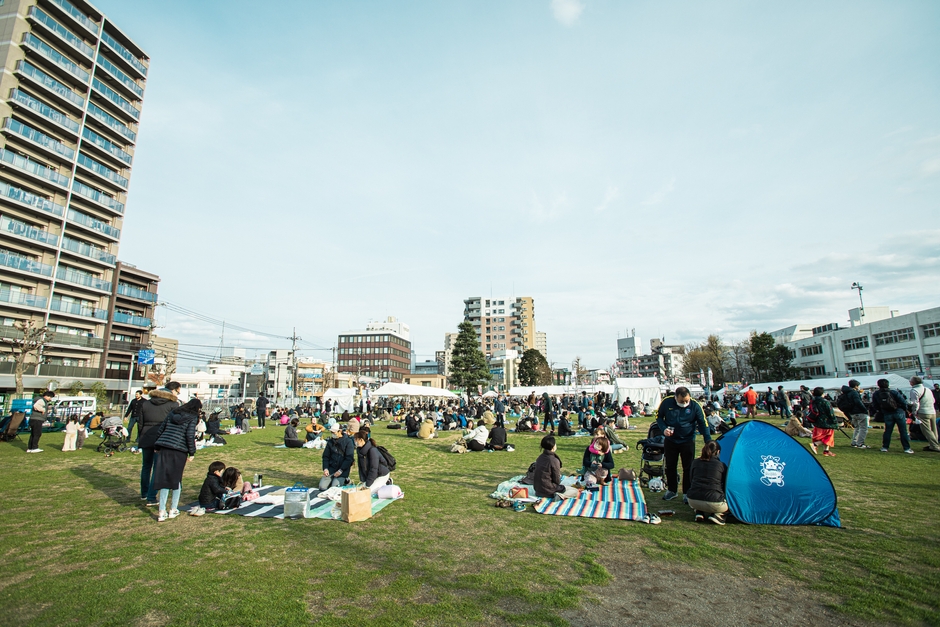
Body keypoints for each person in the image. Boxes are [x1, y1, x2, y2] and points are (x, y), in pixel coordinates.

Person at [656, 386, 711, 502]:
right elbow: (659, 417)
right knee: (670, 466)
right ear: (676, 397)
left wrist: (708, 441)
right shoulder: (666, 402)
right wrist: (664, 429)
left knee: (688, 467)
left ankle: (687, 492)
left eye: (687, 400)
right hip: (671, 440)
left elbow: (703, 423)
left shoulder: (695, 405)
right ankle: (672, 490)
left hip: (688, 440)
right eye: (682, 401)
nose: (685, 403)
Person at [151, 397, 201, 522]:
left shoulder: (173, 413)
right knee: (176, 479)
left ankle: (162, 511)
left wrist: (157, 445)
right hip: (179, 449)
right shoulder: (192, 417)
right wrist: (192, 452)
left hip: (165, 446)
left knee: (164, 478)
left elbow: (161, 429)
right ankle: (173, 508)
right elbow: (189, 436)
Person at [138, 383, 181, 506]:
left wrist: (141, 436)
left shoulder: (145, 403)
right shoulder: (173, 404)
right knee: (158, 468)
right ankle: (151, 497)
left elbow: (140, 423)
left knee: (146, 466)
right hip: (163, 438)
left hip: (146, 436)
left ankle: (144, 493)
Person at [687, 441, 728, 525]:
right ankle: (718, 515)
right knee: (730, 503)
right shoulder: (721, 465)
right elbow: (726, 485)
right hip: (715, 501)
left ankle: (699, 512)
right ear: (718, 452)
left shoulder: (695, 462)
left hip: (692, 500)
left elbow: (691, 480)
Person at [870, 379, 912, 454]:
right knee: (903, 431)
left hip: (887, 413)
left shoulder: (876, 394)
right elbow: (903, 402)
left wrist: (882, 410)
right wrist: (904, 409)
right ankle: (906, 448)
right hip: (898, 412)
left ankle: (885, 447)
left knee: (888, 431)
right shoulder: (893, 392)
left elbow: (875, 405)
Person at [532, 435, 580, 499]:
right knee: (575, 491)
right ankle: (560, 496)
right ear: (553, 446)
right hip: (548, 490)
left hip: (538, 490)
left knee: (565, 484)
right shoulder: (553, 460)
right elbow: (557, 480)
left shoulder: (540, 457)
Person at [354, 430, 391, 494]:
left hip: (381, 474)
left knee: (368, 492)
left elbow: (374, 469)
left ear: (361, 440)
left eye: (356, 439)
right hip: (372, 475)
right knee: (359, 490)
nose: (355, 441)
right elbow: (361, 467)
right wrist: (363, 481)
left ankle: (387, 482)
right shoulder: (360, 451)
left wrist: (367, 484)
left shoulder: (372, 450)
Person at [909, 376, 940, 453]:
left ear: (912, 383)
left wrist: (914, 413)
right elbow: (933, 400)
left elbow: (915, 404)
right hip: (932, 411)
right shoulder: (928, 389)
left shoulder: (914, 390)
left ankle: (935, 446)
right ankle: (933, 445)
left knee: (926, 430)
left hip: (923, 412)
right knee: (934, 429)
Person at [320, 424, 355, 490]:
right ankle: (332, 479)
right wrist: (325, 468)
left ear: (340, 431)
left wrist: (341, 470)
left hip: (342, 469)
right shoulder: (330, 442)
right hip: (331, 468)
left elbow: (349, 459)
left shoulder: (348, 442)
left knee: (334, 488)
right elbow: (325, 456)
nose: (332, 434)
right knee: (322, 487)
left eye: (334, 432)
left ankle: (346, 480)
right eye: (331, 432)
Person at [808, 387, 839, 457]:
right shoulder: (825, 402)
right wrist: (835, 421)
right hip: (826, 422)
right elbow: (831, 413)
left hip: (817, 421)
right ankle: (815, 444)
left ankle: (826, 451)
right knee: (828, 437)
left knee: (823, 436)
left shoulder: (813, 401)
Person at [840, 380, 871, 449]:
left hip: (851, 412)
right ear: (856, 386)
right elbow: (858, 402)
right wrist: (864, 410)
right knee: (863, 428)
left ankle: (854, 442)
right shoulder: (854, 393)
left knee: (857, 428)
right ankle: (860, 443)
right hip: (859, 412)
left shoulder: (846, 393)